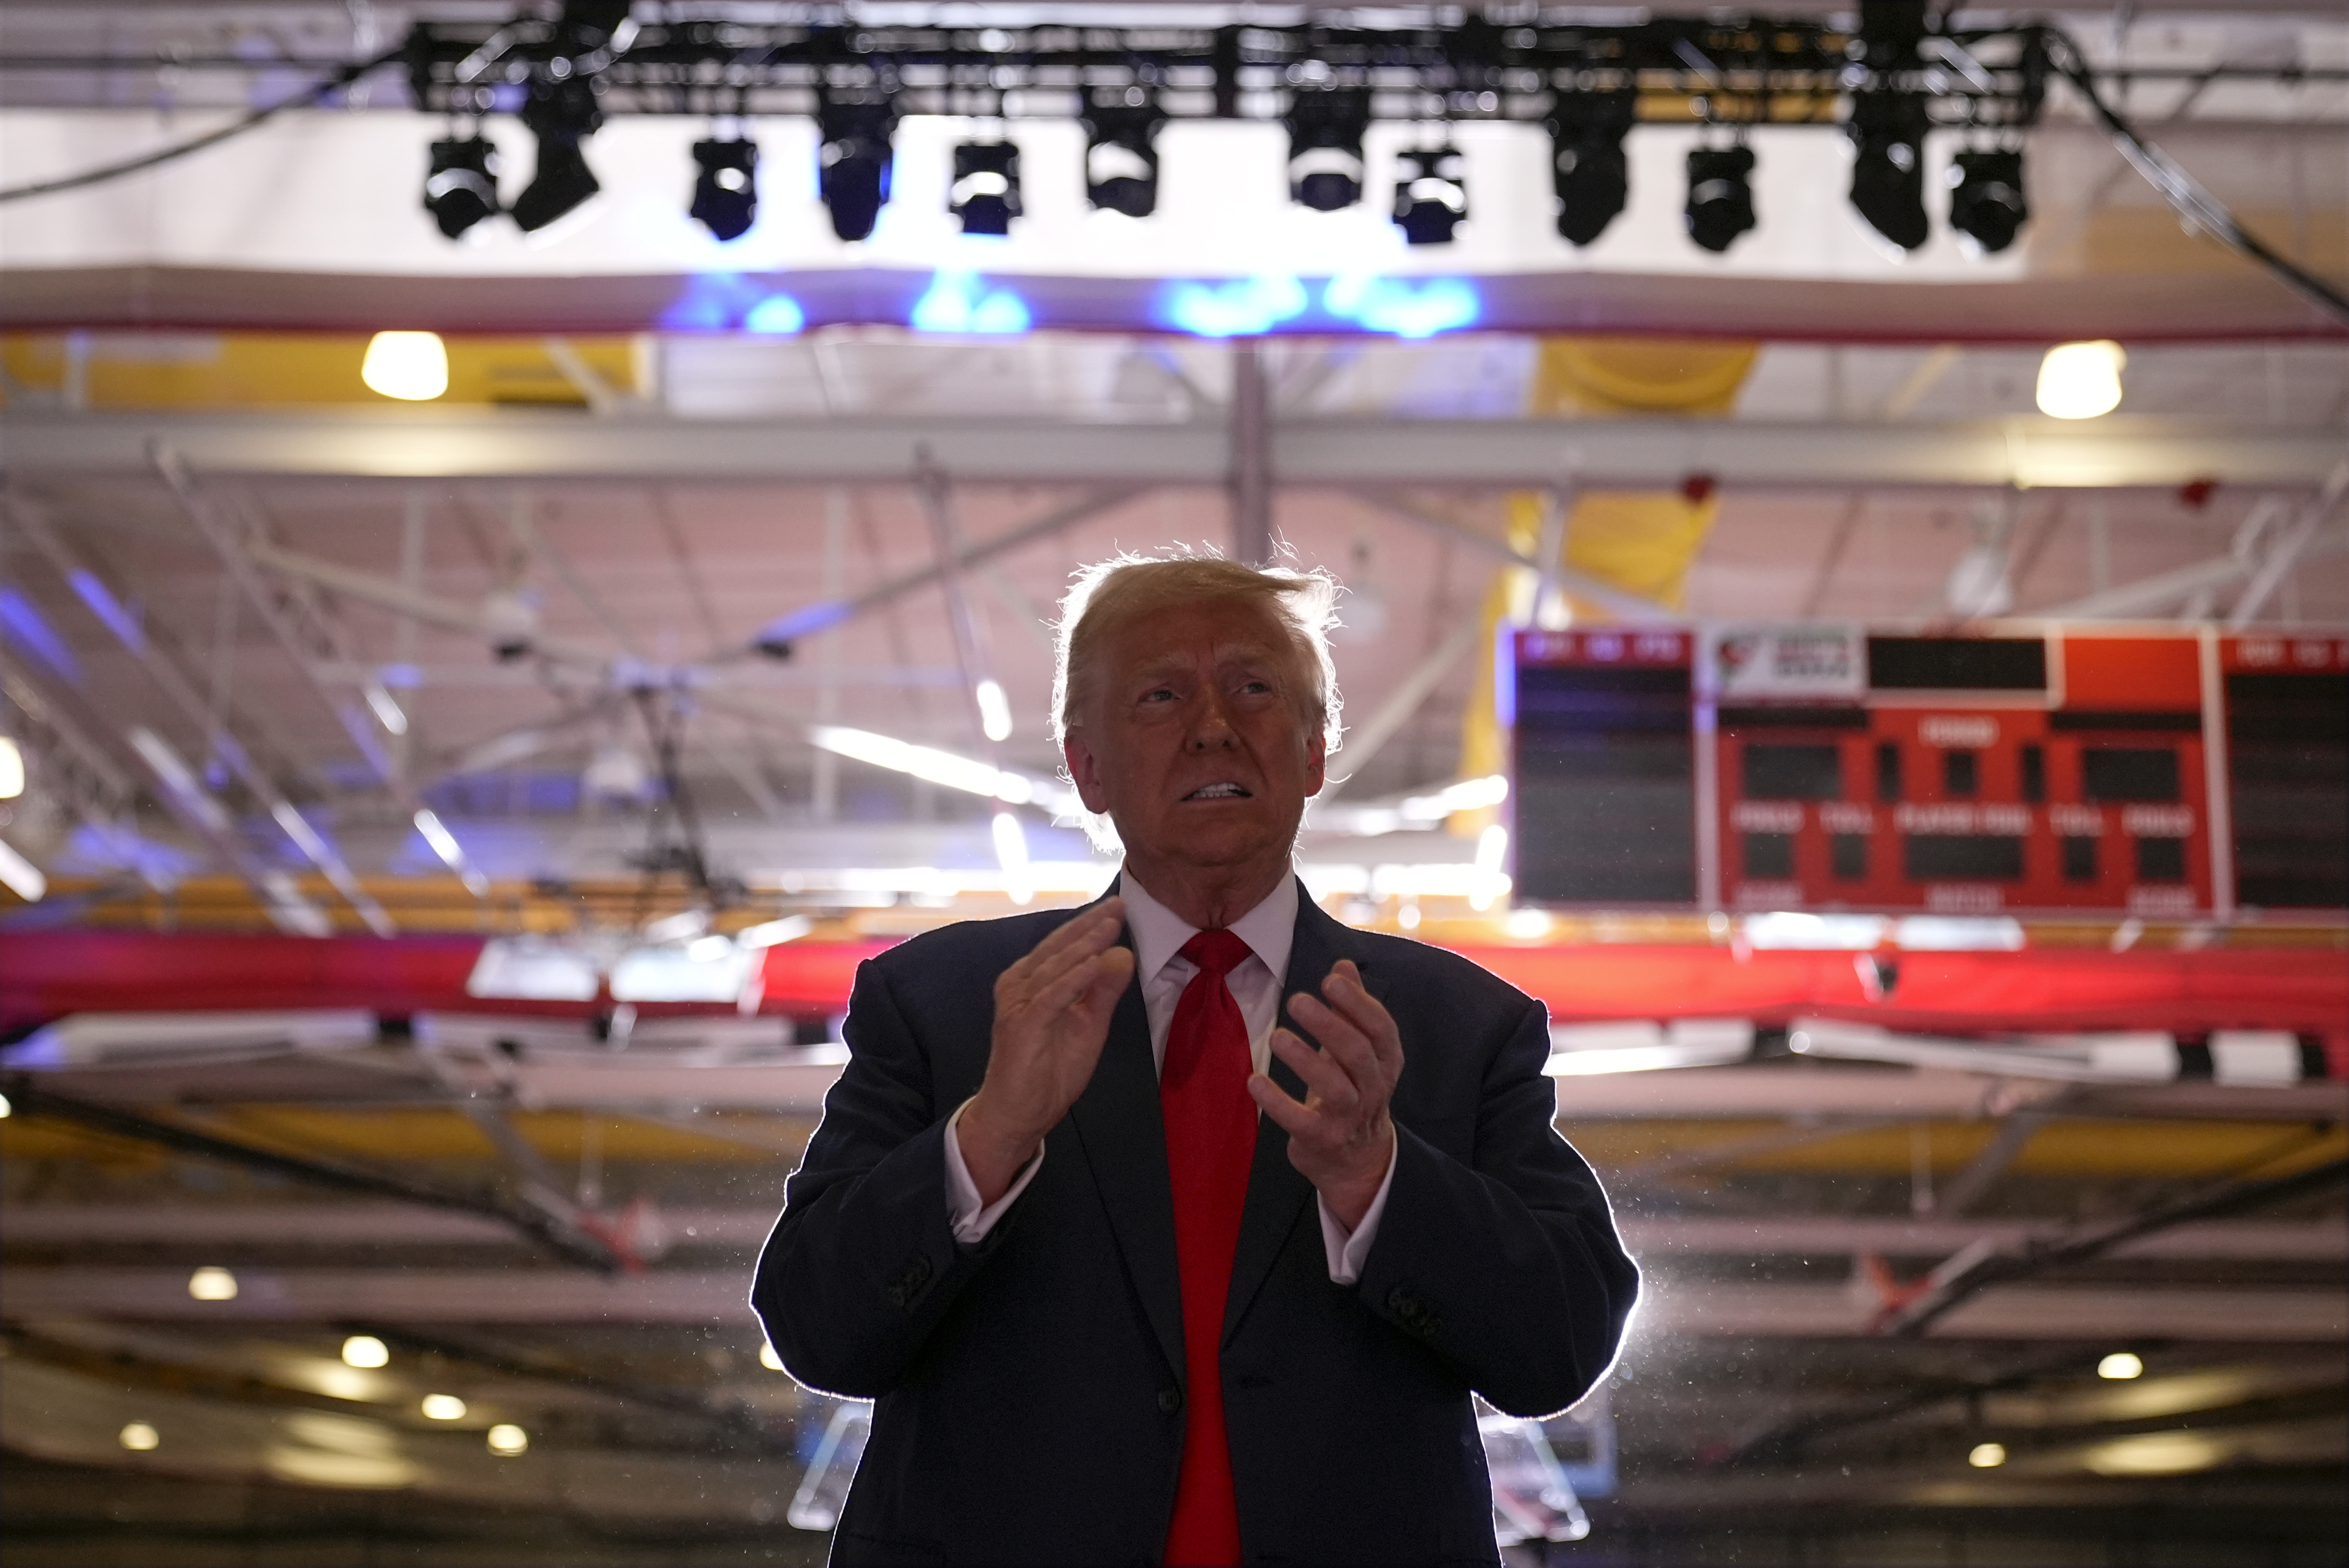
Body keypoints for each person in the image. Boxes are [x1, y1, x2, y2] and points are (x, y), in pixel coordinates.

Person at [754, 554, 1637, 1567]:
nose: (1214, 723)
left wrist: (1378, 1178)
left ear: (1313, 751)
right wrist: (990, 1132)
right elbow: (816, 1329)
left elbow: (1562, 1345)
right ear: (1088, 768)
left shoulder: (1457, 1025)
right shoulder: (947, 1006)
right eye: (1161, 694)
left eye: (1255, 688)